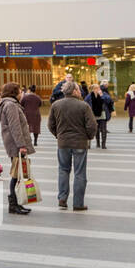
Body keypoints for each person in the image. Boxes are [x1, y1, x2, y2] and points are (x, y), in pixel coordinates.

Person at [47, 80, 95, 210]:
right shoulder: (84, 106)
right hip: (80, 143)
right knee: (79, 173)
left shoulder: (56, 105)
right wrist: (88, 137)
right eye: (79, 90)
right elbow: (92, 125)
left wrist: (58, 135)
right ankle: (78, 203)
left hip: (63, 143)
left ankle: (62, 199)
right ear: (74, 91)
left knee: (63, 170)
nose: (80, 92)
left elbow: (50, 125)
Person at [0, 81, 33, 216]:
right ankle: (14, 204)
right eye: (20, 91)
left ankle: (16, 203)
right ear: (15, 93)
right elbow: (15, 127)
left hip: (13, 143)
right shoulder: (11, 105)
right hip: (15, 144)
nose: (22, 93)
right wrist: (21, 145)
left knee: (18, 174)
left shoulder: (6, 103)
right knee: (16, 175)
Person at [86, 82, 114, 149]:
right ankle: (98, 143)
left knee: (103, 129)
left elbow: (109, 101)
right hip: (93, 114)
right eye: (95, 88)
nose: (97, 89)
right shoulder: (90, 95)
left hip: (103, 113)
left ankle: (103, 144)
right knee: (96, 129)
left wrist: (102, 96)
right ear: (92, 89)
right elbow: (85, 103)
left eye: (98, 88)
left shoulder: (103, 94)